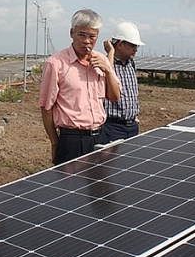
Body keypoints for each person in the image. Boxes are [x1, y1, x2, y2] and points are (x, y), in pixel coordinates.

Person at [39, 9, 121, 165]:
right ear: (72, 33)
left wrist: (108, 71)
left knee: (100, 187)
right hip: (72, 140)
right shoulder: (56, 63)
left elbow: (115, 97)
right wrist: (55, 142)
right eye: (81, 35)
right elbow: (46, 107)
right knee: (71, 187)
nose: (87, 41)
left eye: (92, 36)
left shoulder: (101, 60)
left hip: (100, 135)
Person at [103, 22, 145, 142]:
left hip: (132, 126)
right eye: (133, 46)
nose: (135, 50)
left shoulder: (131, 64)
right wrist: (110, 52)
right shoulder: (105, 64)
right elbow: (107, 72)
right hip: (112, 127)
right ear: (120, 45)